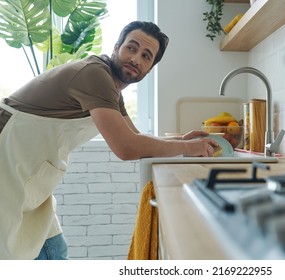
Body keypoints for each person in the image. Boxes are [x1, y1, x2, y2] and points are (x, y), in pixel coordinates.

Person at [0, 21, 218, 260]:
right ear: (116, 47)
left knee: (54, 250)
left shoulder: (112, 88)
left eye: (146, 56)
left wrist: (181, 140)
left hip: (27, 173)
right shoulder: (95, 74)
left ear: (150, 68)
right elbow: (126, 147)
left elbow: (135, 137)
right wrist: (186, 147)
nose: (136, 59)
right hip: (7, 168)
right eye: (131, 48)